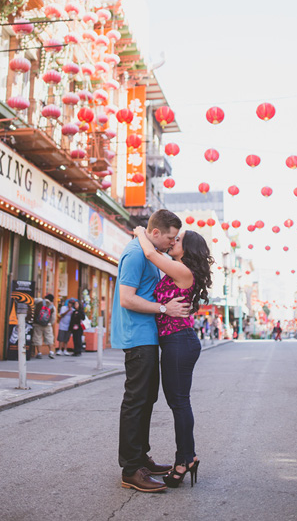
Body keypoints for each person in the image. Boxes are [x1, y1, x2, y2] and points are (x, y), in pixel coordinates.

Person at [112, 209, 190, 493]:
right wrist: (164, 308)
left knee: (146, 399)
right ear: (155, 232)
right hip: (137, 336)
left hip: (147, 335)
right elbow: (127, 299)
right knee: (136, 401)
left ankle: (141, 457)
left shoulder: (148, 251)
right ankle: (131, 469)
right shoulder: (135, 254)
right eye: (170, 238)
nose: (172, 243)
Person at [133, 225, 212, 489]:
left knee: (179, 403)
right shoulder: (178, 268)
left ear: (187, 249)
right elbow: (155, 256)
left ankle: (184, 461)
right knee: (178, 403)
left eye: (178, 240)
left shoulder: (183, 270)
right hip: (175, 342)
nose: (173, 241)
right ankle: (188, 457)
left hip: (179, 342)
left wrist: (140, 233)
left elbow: (150, 254)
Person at [32, 294, 56, 359]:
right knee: (49, 338)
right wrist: (49, 323)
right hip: (47, 325)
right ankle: (51, 352)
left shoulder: (39, 302)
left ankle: (39, 353)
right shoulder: (52, 307)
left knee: (37, 338)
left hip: (37, 324)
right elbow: (53, 318)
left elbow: (32, 300)